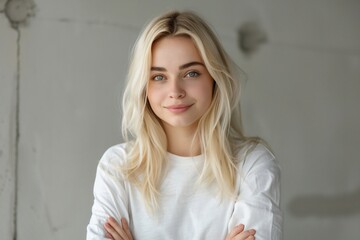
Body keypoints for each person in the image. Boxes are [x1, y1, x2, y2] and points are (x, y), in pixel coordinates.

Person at [87, 10, 282, 240]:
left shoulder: (252, 164)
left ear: (214, 78)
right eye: (159, 77)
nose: (175, 92)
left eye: (191, 73)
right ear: (144, 87)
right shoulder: (118, 167)